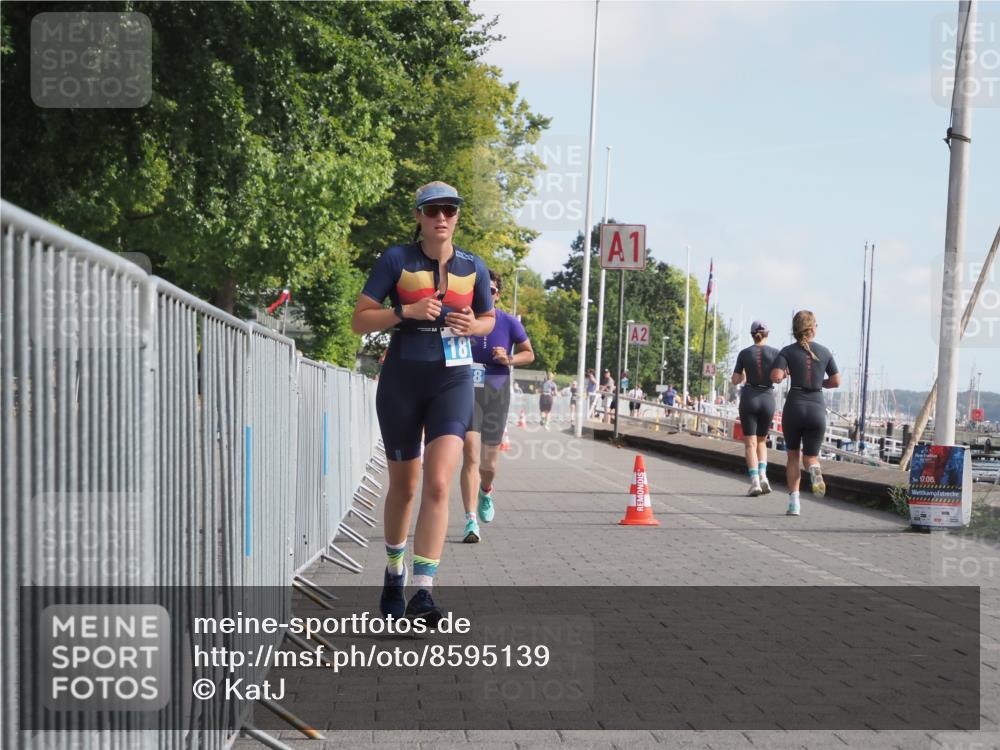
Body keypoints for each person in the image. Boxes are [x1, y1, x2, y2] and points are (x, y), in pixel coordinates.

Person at [351, 181, 495, 624]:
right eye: (432, 210)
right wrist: (404, 313)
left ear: (456, 217)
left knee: (437, 483)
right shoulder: (397, 259)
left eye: (449, 210)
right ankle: (394, 571)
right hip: (402, 380)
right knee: (406, 487)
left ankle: (423, 591)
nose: (441, 217)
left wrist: (474, 325)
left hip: (451, 382)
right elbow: (359, 320)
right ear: (418, 216)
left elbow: (490, 319)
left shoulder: (475, 266)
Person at [461, 270, 534, 544]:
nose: (486, 295)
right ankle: (470, 520)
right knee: (470, 453)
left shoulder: (509, 322)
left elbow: (530, 353)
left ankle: (486, 490)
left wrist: (509, 359)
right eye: (481, 291)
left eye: (491, 291)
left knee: (488, 463)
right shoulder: (463, 319)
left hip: (495, 392)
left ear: (497, 294)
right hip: (466, 391)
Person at [770, 310, 841, 516]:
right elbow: (836, 381)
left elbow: (775, 376)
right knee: (810, 457)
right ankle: (814, 469)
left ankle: (794, 504)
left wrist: (784, 373)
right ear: (811, 329)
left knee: (793, 456)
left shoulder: (787, 351)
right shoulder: (825, 352)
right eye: (817, 325)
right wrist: (821, 383)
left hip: (795, 406)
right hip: (816, 407)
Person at [732, 320, 780, 496]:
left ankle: (754, 483)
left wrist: (744, 373)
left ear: (752, 335)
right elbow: (780, 377)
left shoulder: (744, 354)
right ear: (767, 334)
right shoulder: (776, 353)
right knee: (762, 440)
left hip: (749, 398)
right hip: (767, 398)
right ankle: (763, 476)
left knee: (750, 443)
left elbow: (735, 380)